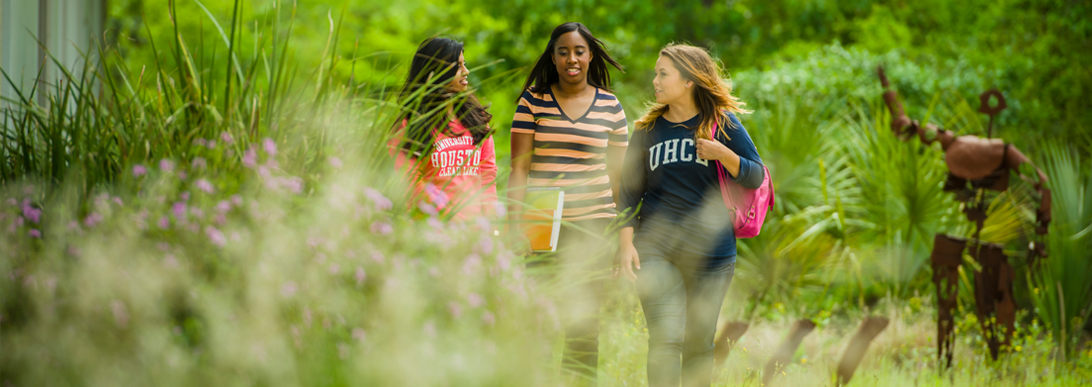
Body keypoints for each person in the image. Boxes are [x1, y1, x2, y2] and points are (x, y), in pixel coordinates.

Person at [617, 43, 764, 387]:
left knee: (699, 345)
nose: (655, 80)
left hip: (712, 254)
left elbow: (755, 175)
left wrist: (722, 153)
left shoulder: (723, 125)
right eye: (656, 73)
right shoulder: (647, 131)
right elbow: (627, 192)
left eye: (662, 74)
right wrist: (625, 245)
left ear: (688, 81)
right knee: (666, 339)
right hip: (657, 250)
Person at [508, 22, 627, 385]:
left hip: (595, 227)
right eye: (563, 51)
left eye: (579, 51)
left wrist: (624, 242)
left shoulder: (611, 106)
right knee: (539, 319)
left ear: (590, 55)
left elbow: (621, 183)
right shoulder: (532, 101)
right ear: (553, 56)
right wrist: (514, 227)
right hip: (542, 221)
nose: (572, 59)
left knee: (583, 325)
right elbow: (519, 170)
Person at [390, 37, 497, 220]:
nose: (466, 71)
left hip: (475, 235)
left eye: (464, 64)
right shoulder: (409, 125)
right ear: (436, 72)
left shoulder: (476, 120)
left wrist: (491, 224)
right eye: (458, 66)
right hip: (432, 232)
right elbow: (411, 182)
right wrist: (450, 219)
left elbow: (487, 176)